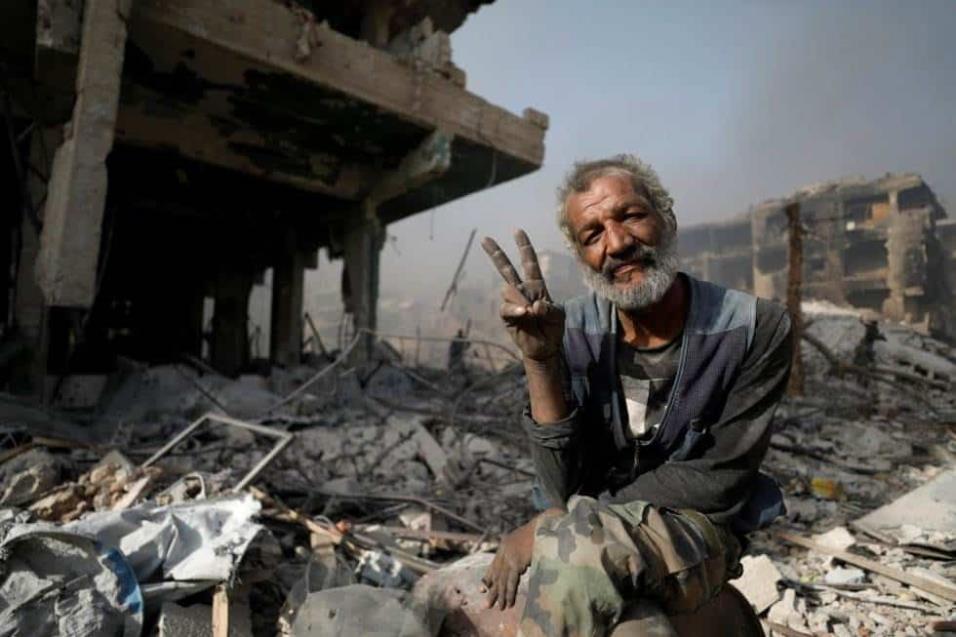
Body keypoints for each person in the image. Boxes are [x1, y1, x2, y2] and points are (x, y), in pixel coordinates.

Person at [479, 155, 793, 636]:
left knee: (578, 551)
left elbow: (719, 480)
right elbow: (559, 483)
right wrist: (540, 361)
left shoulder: (753, 327)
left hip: (696, 531)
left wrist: (557, 526)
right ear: (582, 256)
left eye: (630, 216)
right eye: (593, 234)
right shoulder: (570, 329)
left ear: (665, 219)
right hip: (590, 528)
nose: (618, 243)